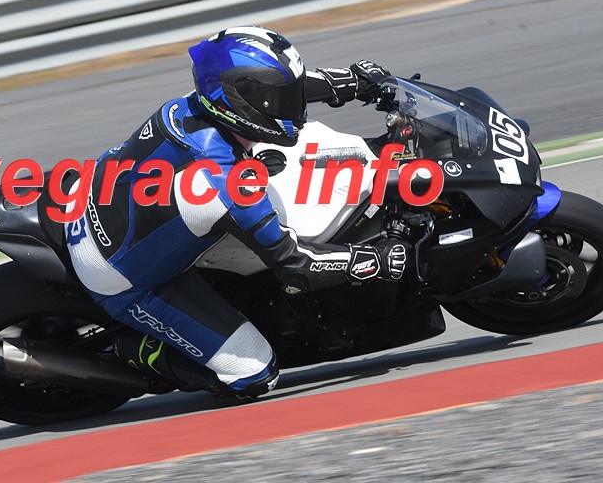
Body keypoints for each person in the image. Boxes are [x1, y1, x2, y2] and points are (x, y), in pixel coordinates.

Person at [65, 25, 409, 401]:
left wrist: (350, 82)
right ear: (236, 100)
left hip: (95, 197)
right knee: (254, 374)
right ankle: (134, 351)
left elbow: (278, 92)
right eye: (277, 100)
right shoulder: (225, 183)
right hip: (116, 275)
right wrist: (370, 261)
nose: (290, 108)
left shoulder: (194, 104)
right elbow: (295, 265)